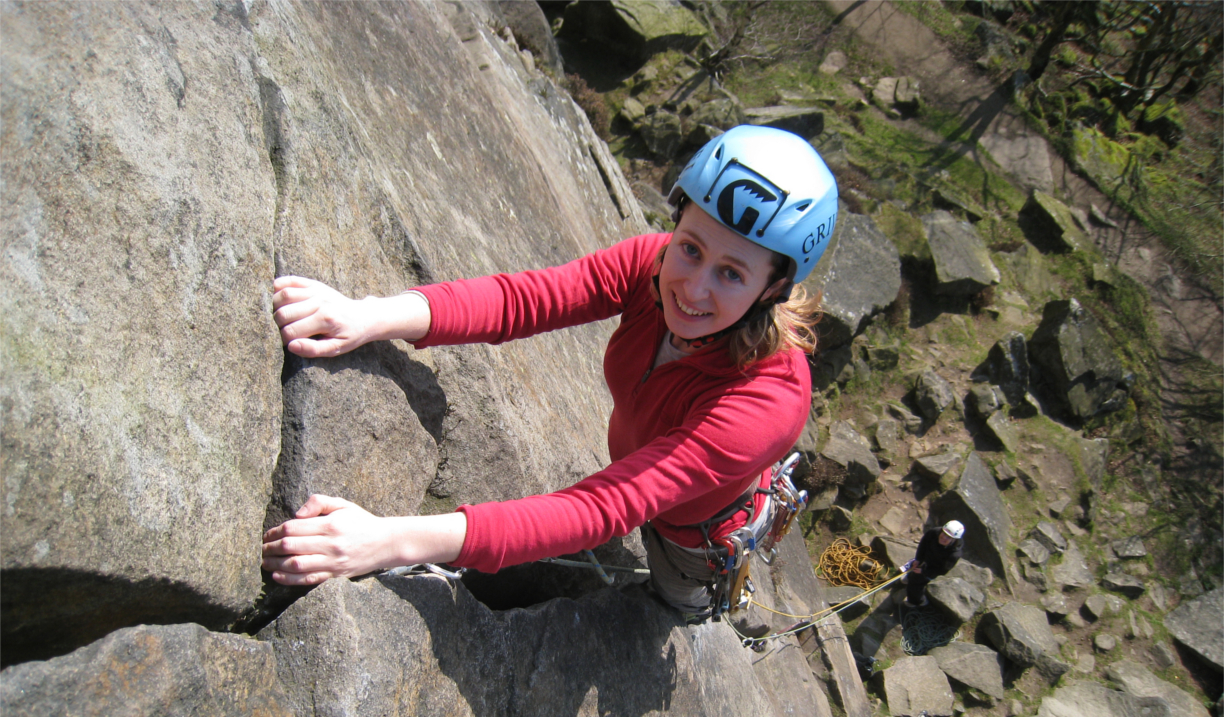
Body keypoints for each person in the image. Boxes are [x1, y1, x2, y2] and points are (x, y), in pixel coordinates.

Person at [260, 125, 839, 622]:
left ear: (775, 288)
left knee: (676, 599)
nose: (693, 286)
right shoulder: (653, 264)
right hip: (641, 471)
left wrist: (387, 543)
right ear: (677, 223)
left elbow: (603, 509)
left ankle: (690, 608)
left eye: (733, 274)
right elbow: (526, 300)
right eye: (690, 248)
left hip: (697, 531)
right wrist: (370, 315)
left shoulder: (768, 398)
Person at [902, 520, 965, 608]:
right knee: (913, 569)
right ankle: (909, 577)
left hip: (932, 568)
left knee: (915, 584)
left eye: (948, 537)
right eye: (944, 534)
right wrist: (918, 559)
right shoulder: (934, 532)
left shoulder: (954, 554)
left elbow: (942, 570)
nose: (944, 538)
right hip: (926, 558)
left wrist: (924, 571)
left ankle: (917, 601)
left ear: (954, 540)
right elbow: (923, 544)